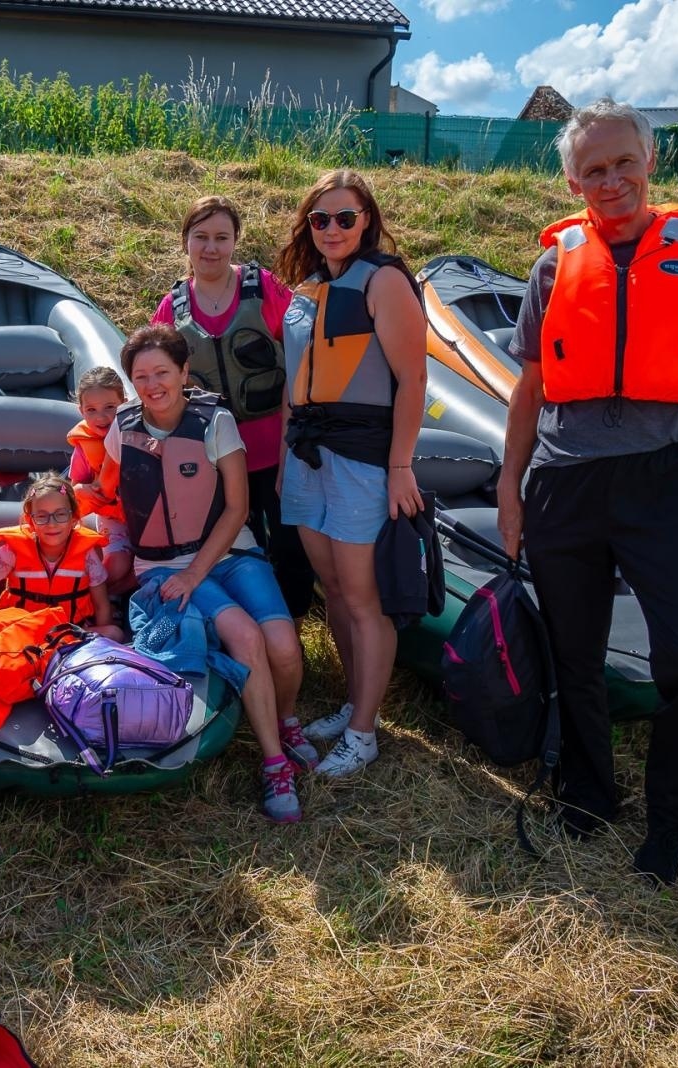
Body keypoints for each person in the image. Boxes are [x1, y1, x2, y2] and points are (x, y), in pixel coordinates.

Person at [495, 99, 678, 885]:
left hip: (665, 477)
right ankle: (589, 792)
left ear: (649, 164)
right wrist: (511, 489)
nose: (609, 181)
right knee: (573, 654)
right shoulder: (553, 266)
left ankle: (675, 815)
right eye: (592, 170)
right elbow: (530, 389)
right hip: (565, 481)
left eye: (623, 164)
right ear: (572, 179)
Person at [102, 324, 312, 822]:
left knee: (284, 645)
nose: (152, 385)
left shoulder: (214, 422)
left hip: (228, 552)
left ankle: (285, 718)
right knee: (245, 636)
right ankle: (274, 763)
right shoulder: (122, 427)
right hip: (161, 566)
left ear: (183, 373)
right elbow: (107, 494)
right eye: (141, 376)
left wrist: (197, 574)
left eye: (162, 373)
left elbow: (238, 508)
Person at [275, 170, 428, 778]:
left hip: (363, 455)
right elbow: (294, 387)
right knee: (332, 588)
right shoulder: (307, 288)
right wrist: (288, 459)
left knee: (365, 599)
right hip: (307, 453)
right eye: (321, 219)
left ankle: (365, 731)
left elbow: (414, 380)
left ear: (366, 220)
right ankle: (352, 703)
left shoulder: (384, 281)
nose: (332, 228)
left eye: (345, 217)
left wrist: (400, 466)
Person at [152, 196, 314, 617]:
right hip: (214, 460)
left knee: (289, 544)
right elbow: (157, 377)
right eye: (201, 237)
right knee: (238, 551)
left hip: (276, 450)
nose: (211, 248)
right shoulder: (172, 308)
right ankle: (252, 625)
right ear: (185, 242)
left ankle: (292, 628)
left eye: (222, 237)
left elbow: (303, 359)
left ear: (235, 241)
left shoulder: (265, 290)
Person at [0, 475, 126, 642]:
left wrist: (101, 640)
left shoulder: (87, 556)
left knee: (113, 632)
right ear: (30, 521)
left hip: (68, 633)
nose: (52, 523)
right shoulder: (13, 552)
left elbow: (102, 606)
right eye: (42, 516)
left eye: (61, 514)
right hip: (20, 631)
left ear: (74, 519)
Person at [66, 366, 134, 588]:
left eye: (110, 407)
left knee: (147, 568)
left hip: (146, 517)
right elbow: (74, 487)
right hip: (112, 517)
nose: (101, 417)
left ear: (124, 403)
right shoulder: (84, 447)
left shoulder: (139, 432)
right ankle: (98, 597)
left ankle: (122, 596)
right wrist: (80, 491)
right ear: (81, 411)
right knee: (117, 566)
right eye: (91, 410)